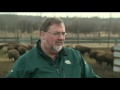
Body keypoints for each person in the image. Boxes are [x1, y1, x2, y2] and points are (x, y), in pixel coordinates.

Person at [6, 17, 100, 78]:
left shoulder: (75, 56)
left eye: (63, 34)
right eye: (56, 33)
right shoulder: (25, 61)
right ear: (43, 35)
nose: (61, 38)